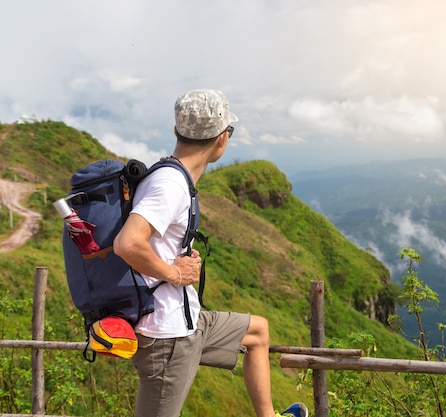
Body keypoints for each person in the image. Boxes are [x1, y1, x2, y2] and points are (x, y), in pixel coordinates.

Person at [113, 89, 308, 417]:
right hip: (167, 337)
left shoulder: (170, 176)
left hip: (187, 322)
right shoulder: (170, 186)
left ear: (176, 131)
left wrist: (179, 265)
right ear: (222, 139)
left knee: (257, 331)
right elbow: (127, 243)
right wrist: (177, 273)